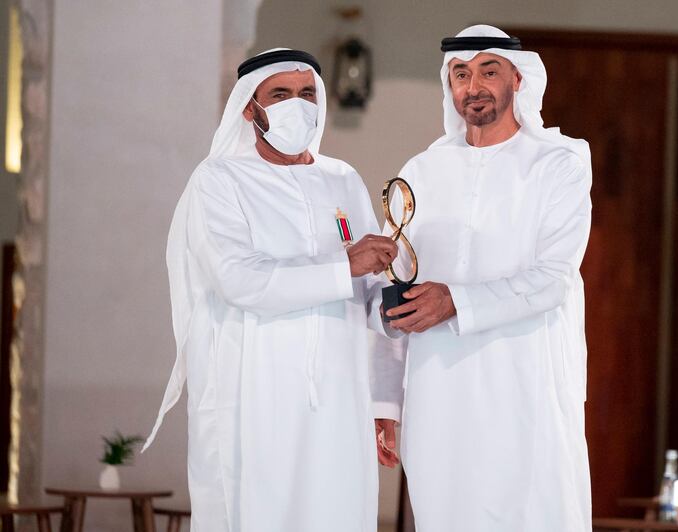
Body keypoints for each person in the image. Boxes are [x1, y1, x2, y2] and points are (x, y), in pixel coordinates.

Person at [143, 48, 397, 532]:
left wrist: (395, 307)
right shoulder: (219, 180)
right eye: (279, 94)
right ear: (248, 106)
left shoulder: (342, 179)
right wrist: (345, 264)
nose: (295, 105)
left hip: (341, 399)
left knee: (339, 513)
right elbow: (241, 279)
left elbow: (369, 291)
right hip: (255, 396)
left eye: (306, 94)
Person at [372, 25, 593, 531]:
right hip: (437, 388)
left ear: (518, 77)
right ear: (449, 88)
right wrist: (385, 400)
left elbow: (552, 278)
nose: (474, 87)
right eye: (461, 75)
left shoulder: (559, 163)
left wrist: (455, 302)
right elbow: (395, 285)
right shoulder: (422, 170)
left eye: (488, 72)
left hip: (524, 381)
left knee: (533, 510)